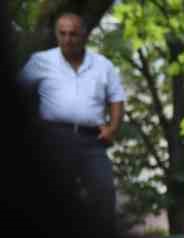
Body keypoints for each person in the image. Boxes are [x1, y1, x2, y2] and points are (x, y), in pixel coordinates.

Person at [19, 12, 124, 221]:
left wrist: (112, 128)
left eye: (73, 34)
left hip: (92, 140)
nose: (67, 39)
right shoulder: (41, 61)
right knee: (53, 195)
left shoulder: (103, 65)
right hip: (54, 138)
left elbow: (117, 98)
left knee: (103, 194)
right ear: (57, 34)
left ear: (84, 36)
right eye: (63, 34)